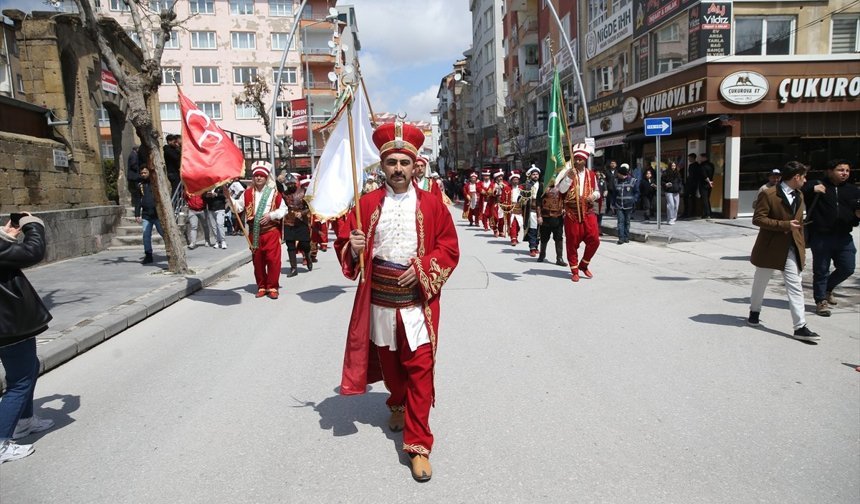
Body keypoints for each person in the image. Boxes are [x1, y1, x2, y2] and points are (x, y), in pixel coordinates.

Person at [334, 121, 459, 482]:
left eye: (405, 162)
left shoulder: (434, 204)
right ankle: (397, 402)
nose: (399, 169)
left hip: (418, 303)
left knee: (419, 368)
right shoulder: (365, 205)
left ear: (415, 165)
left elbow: (449, 248)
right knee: (392, 369)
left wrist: (422, 269)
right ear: (383, 166)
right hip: (380, 303)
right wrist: (353, 246)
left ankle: (418, 445)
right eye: (392, 163)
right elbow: (344, 242)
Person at [0, 212, 55, 464]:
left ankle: (24, 421)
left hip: (9, 322)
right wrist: (32, 224)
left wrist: (6, 236)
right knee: (20, 380)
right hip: (9, 323)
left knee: (29, 367)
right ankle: (2, 441)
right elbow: (33, 251)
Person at [747, 161, 818, 341]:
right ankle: (754, 311)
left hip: (791, 247)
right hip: (770, 248)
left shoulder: (799, 194)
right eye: (804, 177)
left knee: (795, 286)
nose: (805, 180)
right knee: (760, 282)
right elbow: (758, 219)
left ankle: (800, 326)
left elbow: (798, 223)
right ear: (796, 177)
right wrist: (784, 225)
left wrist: (802, 245)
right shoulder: (768, 194)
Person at [802, 159, 860, 317]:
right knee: (821, 270)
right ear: (829, 171)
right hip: (821, 236)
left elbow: (855, 212)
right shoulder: (817, 185)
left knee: (847, 268)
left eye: (847, 170)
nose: (844, 173)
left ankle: (827, 289)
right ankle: (821, 300)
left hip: (844, 236)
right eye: (840, 170)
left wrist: (857, 216)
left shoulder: (853, 190)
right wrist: (812, 189)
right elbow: (798, 190)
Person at [235, 162, 287, 299]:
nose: (258, 178)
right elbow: (238, 207)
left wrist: (271, 215)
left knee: (273, 260)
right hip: (255, 232)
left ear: (266, 178)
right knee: (257, 261)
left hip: (271, 231)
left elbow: (284, 209)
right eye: (256, 175)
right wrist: (229, 197)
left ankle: (273, 286)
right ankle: (262, 286)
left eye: (261, 176)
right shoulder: (246, 194)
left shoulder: (274, 193)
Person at [556, 143, 601, 281]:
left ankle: (584, 265)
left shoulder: (591, 174)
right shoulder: (568, 173)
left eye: (580, 159)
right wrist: (569, 178)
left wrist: (593, 196)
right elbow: (561, 190)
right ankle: (574, 270)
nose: (577, 161)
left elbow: (597, 191)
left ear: (585, 160)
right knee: (572, 243)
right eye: (575, 159)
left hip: (587, 211)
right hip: (572, 213)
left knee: (595, 240)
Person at [134, 165, 164, 264]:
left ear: (149, 173)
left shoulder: (155, 183)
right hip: (146, 214)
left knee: (163, 232)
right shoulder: (140, 185)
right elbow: (138, 200)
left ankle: (171, 249)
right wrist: (137, 213)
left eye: (145, 172)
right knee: (146, 235)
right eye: (141, 173)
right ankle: (148, 254)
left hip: (157, 214)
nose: (143, 174)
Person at [536, 178, 567, 266]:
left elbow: (565, 198)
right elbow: (538, 202)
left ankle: (559, 258)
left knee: (558, 238)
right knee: (544, 237)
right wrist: (539, 216)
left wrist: (564, 208)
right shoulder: (543, 185)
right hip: (545, 216)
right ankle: (542, 255)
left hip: (558, 216)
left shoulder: (561, 185)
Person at [612, 163, 639, 245]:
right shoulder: (616, 181)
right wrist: (612, 204)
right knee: (620, 222)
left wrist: (634, 200)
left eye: (619, 174)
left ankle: (626, 237)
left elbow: (637, 192)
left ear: (623, 174)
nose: (617, 175)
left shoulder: (633, 181)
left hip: (629, 205)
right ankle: (621, 238)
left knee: (627, 222)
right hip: (618, 205)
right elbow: (614, 194)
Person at [500, 171, 524, 246]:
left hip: (519, 208)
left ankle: (515, 236)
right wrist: (505, 206)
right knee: (512, 224)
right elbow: (503, 198)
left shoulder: (521, 188)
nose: (515, 181)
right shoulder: (507, 188)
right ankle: (513, 238)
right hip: (510, 208)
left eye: (517, 179)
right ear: (511, 180)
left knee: (518, 224)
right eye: (514, 179)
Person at [522, 166, 542, 256]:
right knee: (532, 229)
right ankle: (532, 247)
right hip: (531, 210)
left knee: (539, 230)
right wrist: (523, 200)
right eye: (533, 174)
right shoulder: (526, 185)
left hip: (541, 210)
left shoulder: (542, 185)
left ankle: (536, 246)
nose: (535, 176)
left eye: (537, 174)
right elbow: (520, 197)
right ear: (530, 176)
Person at [683, 153, 701, 218]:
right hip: (693, 184)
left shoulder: (693, 166)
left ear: (693, 158)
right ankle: (691, 212)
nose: (688, 159)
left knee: (687, 197)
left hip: (691, 184)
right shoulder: (697, 165)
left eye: (689, 158)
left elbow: (692, 176)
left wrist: (689, 183)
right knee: (692, 198)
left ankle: (688, 213)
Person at [490, 170, 508, 238]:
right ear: (496, 177)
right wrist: (495, 189)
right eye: (499, 177)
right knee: (494, 217)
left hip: (503, 203)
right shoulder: (492, 184)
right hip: (495, 203)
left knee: (502, 218)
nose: (500, 178)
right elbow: (489, 193)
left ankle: (501, 231)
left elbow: (508, 191)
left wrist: (504, 187)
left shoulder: (505, 183)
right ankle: (495, 230)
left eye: (501, 176)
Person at [699, 153, 715, 218]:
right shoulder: (711, 165)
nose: (700, 159)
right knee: (707, 198)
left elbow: (704, 175)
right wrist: (710, 182)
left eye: (701, 157)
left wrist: (708, 181)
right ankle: (706, 213)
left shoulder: (702, 166)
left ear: (704, 158)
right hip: (710, 183)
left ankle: (707, 214)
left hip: (704, 184)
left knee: (704, 199)